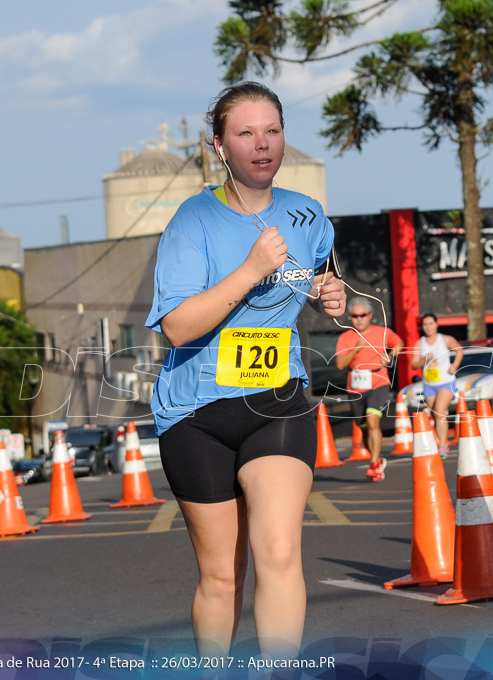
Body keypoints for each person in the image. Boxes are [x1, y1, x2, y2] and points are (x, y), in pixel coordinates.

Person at [145, 82, 346, 659]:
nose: (262, 145)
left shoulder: (308, 216)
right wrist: (252, 268)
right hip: (197, 414)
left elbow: (309, 279)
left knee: (278, 551)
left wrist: (324, 295)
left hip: (275, 401)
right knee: (222, 575)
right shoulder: (193, 220)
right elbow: (179, 326)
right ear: (220, 146)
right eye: (245, 133)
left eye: (272, 131)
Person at [335, 298, 403, 481]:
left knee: (373, 422)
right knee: (363, 426)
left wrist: (389, 356)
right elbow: (340, 364)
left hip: (378, 381)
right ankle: (377, 457)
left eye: (362, 315)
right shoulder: (346, 337)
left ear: (370, 315)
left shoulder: (383, 332)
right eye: (355, 316)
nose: (359, 319)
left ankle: (373, 464)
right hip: (356, 386)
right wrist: (355, 349)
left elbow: (399, 343)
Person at [412, 314, 462, 456]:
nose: (428, 327)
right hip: (429, 384)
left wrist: (455, 365)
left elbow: (459, 350)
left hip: (446, 382)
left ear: (436, 324)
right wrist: (424, 360)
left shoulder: (446, 339)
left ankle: (443, 446)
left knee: (439, 411)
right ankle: (441, 441)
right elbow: (414, 364)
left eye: (431, 323)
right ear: (422, 327)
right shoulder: (420, 343)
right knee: (435, 414)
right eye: (425, 324)